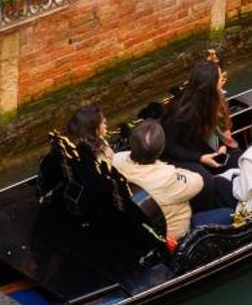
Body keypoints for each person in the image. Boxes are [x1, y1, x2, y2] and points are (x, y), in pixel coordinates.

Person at [36, 105, 163, 257]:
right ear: (94, 130)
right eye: (103, 122)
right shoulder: (96, 157)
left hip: (80, 185)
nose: (106, 123)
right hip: (103, 201)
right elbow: (107, 180)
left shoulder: (68, 143)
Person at [112, 119, 233, 243]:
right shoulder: (167, 177)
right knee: (230, 214)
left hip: (139, 226)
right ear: (160, 150)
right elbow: (198, 181)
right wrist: (176, 168)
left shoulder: (116, 159)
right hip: (175, 237)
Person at [163, 59, 234, 177]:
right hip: (192, 160)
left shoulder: (216, 99)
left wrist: (222, 146)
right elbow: (169, 146)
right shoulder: (180, 112)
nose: (222, 79)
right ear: (211, 85)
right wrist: (200, 158)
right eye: (219, 77)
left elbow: (221, 128)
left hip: (211, 151)